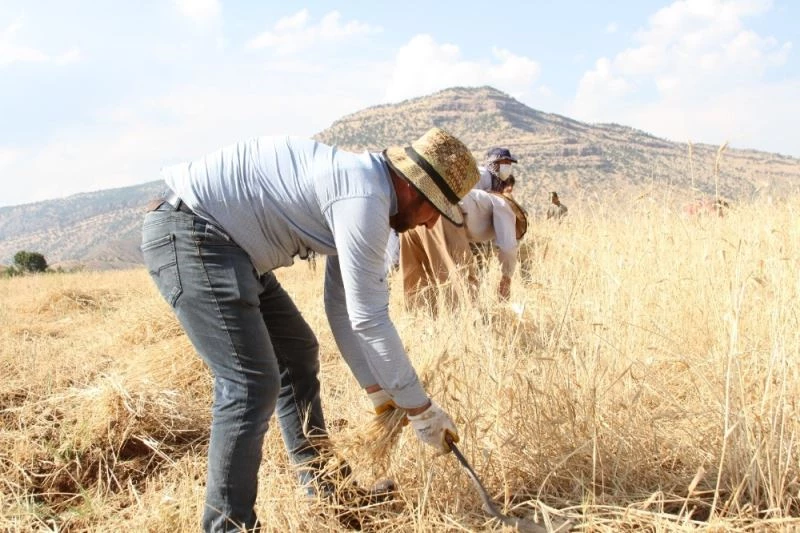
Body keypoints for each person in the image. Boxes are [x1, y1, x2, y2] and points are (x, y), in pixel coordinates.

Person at [140, 127, 478, 532]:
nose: (429, 224)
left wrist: (380, 393)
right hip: (196, 236)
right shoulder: (364, 198)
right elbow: (368, 318)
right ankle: (228, 527)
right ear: (413, 190)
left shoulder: (363, 187)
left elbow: (341, 306)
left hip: (233, 246)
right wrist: (420, 409)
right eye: (435, 210)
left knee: (296, 354)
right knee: (250, 385)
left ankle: (328, 490)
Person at [400, 187, 528, 304]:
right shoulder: (505, 207)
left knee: (416, 278)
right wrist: (506, 279)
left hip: (418, 208)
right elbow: (508, 247)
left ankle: (422, 322)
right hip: (445, 213)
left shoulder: (484, 201)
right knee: (462, 278)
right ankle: (465, 324)